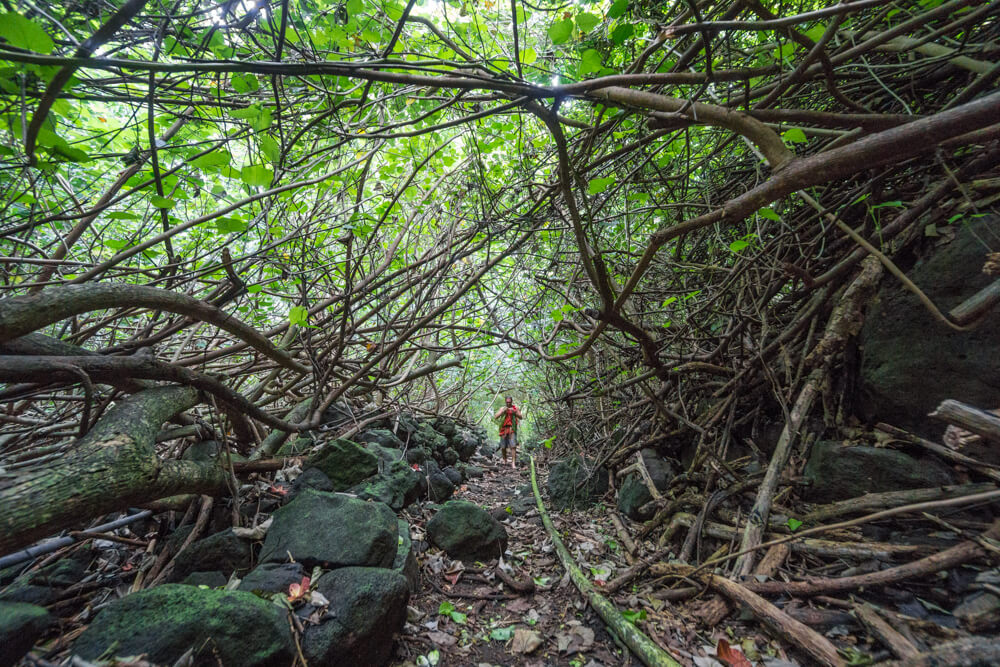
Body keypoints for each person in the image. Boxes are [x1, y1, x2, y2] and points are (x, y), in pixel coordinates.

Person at [494, 396, 523, 469]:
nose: (508, 403)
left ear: (512, 402)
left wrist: (514, 412)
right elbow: (496, 417)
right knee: (503, 447)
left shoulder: (515, 408)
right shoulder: (502, 408)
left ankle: (513, 463)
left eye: (509, 402)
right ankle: (505, 460)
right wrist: (503, 411)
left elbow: (521, 417)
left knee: (513, 446)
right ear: (505, 402)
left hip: (512, 429)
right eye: (507, 402)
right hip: (504, 429)